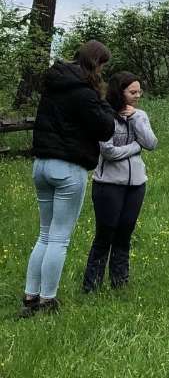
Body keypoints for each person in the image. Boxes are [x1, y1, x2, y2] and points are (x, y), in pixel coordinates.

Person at [22, 40, 116, 317]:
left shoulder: (53, 85)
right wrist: (104, 102)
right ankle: (47, 300)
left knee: (44, 234)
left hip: (41, 164)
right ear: (96, 64)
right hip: (68, 167)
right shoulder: (85, 93)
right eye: (102, 66)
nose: (102, 71)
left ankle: (30, 297)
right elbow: (105, 128)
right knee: (59, 238)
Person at [82, 72, 158, 293]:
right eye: (132, 92)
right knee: (105, 234)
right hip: (108, 185)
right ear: (119, 92)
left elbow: (151, 143)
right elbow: (108, 152)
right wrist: (135, 147)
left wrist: (135, 120)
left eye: (139, 91)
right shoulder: (105, 116)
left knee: (125, 233)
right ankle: (91, 286)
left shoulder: (140, 115)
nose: (137, 96)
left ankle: (120, 283)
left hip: (136, 185)